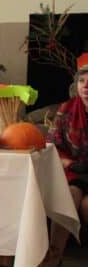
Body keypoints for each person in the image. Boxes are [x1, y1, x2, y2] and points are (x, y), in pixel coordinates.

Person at [47, 53, 88, 255]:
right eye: (81, 81)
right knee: (68, 196)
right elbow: (52, 145)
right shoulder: (66, 109)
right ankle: (55, 254)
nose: (85, 86)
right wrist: (69, 163)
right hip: (75, 172)